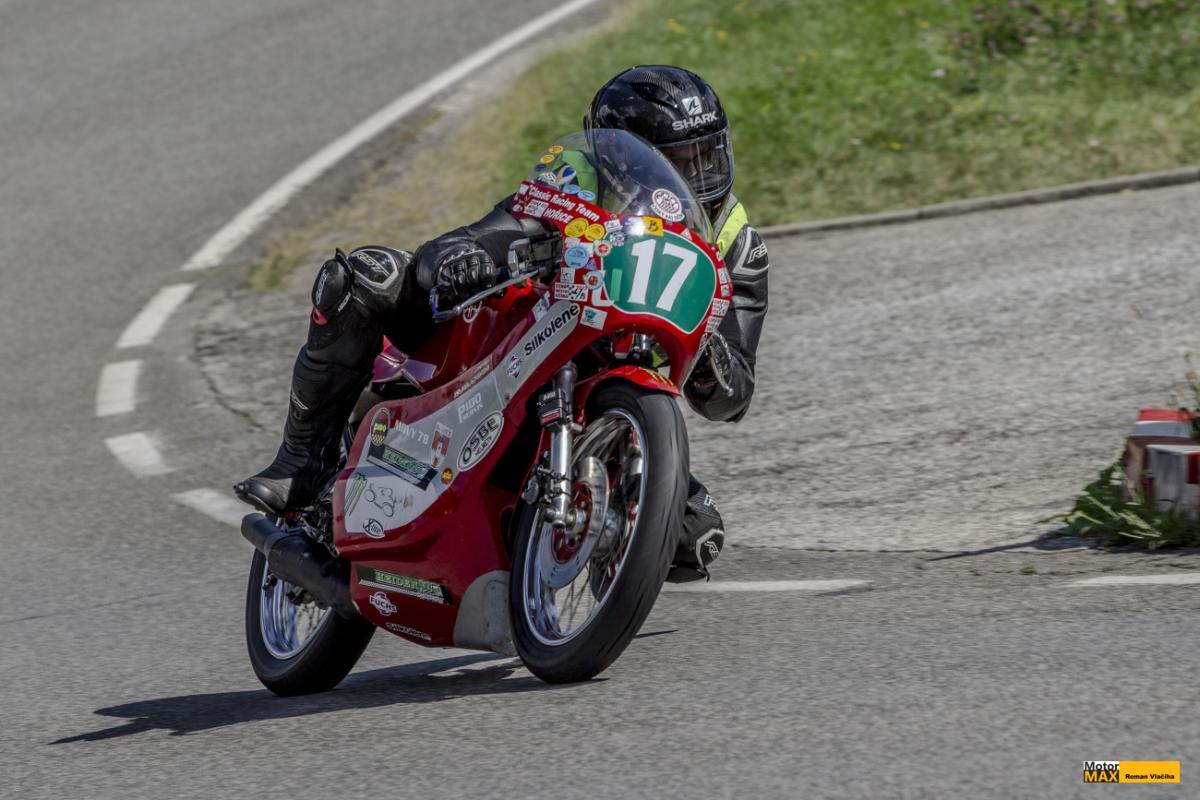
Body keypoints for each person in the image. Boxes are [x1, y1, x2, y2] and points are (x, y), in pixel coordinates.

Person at [234, 65, 769, 581]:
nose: (692, 178)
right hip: (516, 341)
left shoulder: (737, 245)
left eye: (705, 157)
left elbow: (733, 397)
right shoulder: (578, 175)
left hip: (608, 394)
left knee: (693, 533)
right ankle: (302, 464)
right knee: (363, 277)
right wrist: (464, 255)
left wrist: (707, 349)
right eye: (673, 161)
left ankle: (562, 574)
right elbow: (492, 229)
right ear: (621, 157)